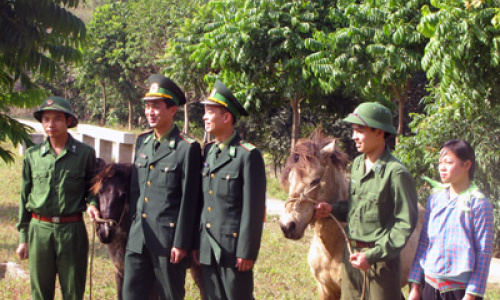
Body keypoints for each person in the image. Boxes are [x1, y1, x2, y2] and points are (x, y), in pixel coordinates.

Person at [314, 102, 419, 299]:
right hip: (352, 256)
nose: (354, 136)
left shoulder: (396, 173)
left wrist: (371, 256)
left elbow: (404, 225)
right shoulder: (357, 166)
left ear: (379, 132)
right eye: (354, 130)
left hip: (381, 262)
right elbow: (356, 208)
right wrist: (332, 209)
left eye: (359, 131)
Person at [118, 75, 201, 300]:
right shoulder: (142, 142)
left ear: (172, 110)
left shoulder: (187, 148)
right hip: (138, 238)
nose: (150, 112)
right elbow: (136, 191)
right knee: (131, 295)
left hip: (168, 242)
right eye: (147, 106)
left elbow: (189, 201)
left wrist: (182, 242)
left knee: (170, 296)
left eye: (156, 106)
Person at [16, 97, 97, 300]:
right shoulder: (33, 155)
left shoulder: (85, 154)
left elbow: (92, 189)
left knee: (73, 290)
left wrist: (93, 204)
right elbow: (25, 197)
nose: (51, 124)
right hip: (39, 229)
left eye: (57, 119)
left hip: (72, 230)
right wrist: (24, 239)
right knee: (40, 292)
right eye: (46, 119)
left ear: (68, 121)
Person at [193, 80, 266, 300]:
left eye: (210, 112)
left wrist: (246, 252)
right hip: (208, 247)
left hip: (233, 250)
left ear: (227, 117)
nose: (205, 117)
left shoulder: (248, 155)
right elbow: (204, 203)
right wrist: (198, 243)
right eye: (204, 111)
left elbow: (253, 210)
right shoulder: (209, 152)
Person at [408, 140, 493, 300]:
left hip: (459, 291)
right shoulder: (435, 199)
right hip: (429, 286)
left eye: (448, 162)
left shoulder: (479, 203)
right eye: (440, 162)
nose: (442, 167)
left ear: (467, 165)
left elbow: (484, 252)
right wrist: (415, 284)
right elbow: (424, 242)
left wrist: (471, 294)